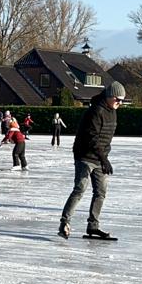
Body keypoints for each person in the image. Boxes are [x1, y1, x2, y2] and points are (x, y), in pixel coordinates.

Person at [58, 81, 124, 240]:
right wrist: (104, 158)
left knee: (101, 192)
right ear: (109, 96)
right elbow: (92, 138)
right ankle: (64, 223)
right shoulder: (95, 111)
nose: (120, 103)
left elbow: (105, 138)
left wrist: (104, 158)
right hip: (85, 156)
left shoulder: (112, 111)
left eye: (122, 101)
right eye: (117, 99)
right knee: (80, 189)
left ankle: (93, 226)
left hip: (100, 157)